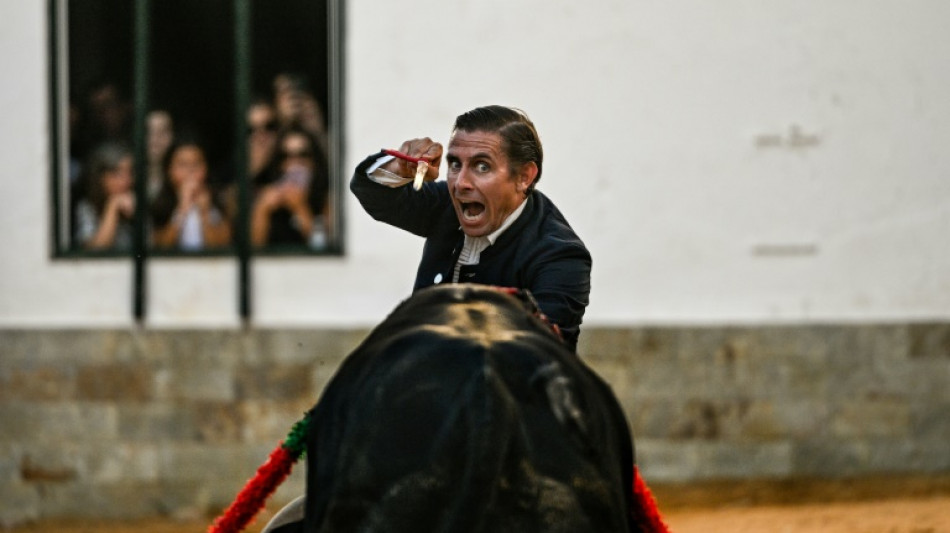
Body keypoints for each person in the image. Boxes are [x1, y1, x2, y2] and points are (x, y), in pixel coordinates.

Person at [350, 105, 591, 350]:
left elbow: (541, 351)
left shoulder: (558, 255)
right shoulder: (447, 205)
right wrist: (400, 167)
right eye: (455, 164)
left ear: (524, 177)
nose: (461, 183)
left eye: (482, 166)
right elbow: (372, 191)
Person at [250, 126, 330, 248]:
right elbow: (254, 250)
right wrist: (262, 209)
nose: (295, 162)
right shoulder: (268, 196)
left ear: (314, 160)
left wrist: (300, 208)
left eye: (303, 154)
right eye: (286, 155)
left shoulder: (326, 199)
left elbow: (323, 249)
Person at [151, 139, 231, 250]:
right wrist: (181, 210)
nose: (190, 171)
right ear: (169, 171)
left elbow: (221, 247)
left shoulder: (218, 202)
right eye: (183, 165)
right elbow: (161, 247)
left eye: (196, 164)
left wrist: (205, 213)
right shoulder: (161, 205)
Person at [73, 141, 135, 251]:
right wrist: (113, 206)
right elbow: (95, 251)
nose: (127, 180)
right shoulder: (87, 207)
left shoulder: (138, 202)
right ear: (101, 178)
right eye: (117, 173)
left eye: (130, 172)